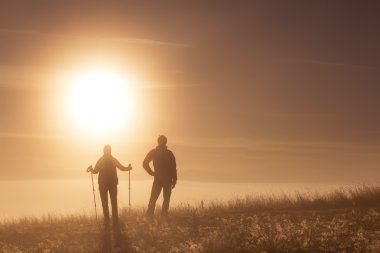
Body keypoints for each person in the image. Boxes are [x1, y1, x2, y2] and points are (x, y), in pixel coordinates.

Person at [87, 145, 132, 229]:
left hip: (103, 184)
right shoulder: (113, 160)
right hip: (113, 184)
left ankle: (106, 221)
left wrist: (91, 169)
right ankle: (115, 220)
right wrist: (128, 168)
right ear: (110, 151)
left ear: (104, 151)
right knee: (113, 202)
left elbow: (95, 171)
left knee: (104, 203)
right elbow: (121, 168)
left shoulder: (101, 160)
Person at [143, 135, 177, 218]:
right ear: (165, 142)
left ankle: (149, 217)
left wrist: (151, 172)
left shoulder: (154, 152)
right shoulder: (169, 153)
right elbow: (173, 167)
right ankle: (163, 217)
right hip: (167, 179)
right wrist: (174, 179)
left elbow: (144, 163)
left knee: (153, 199)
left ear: (158, 142)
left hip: (158, 178)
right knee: (165, 199)